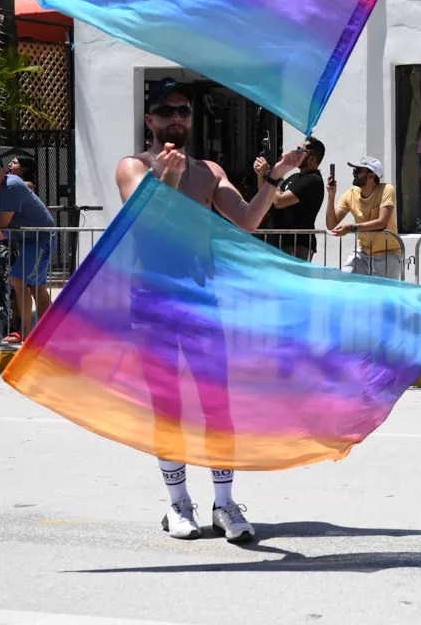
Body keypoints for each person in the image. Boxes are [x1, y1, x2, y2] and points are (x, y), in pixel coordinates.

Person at [115, 79, 303, 543]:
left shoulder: (209, 170)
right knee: (168, 405)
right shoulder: (134, 167)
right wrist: (167, 179)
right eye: (166, 110)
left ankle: (224, 503)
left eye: (183, 110)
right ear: (150, 120)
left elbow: (248, 220)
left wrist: (275, 177)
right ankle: (178, 504)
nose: (176, 117)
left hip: (201, 296)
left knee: (216, 401)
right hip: (154, 299)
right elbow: (145, 227)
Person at [0, 154, 57, 344]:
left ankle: (27, 336)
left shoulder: (12, 185)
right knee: (36, 287)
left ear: (3, 171)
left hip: (40, 237)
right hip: (23, 239)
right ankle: (50, 330)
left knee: (17, 279)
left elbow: (1, 222)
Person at [326, 157, 403, 279]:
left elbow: (382, 222)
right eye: (354, 170)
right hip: (363, 254)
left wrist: (351, 228)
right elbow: (331, 225)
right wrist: (331, 196)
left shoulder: (386, 189)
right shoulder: (350, 194)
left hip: (388, 254)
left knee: (382, 292)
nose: (354, 173)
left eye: (358, 171)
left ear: (371, 176)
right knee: (344, 282)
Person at [257, 137, 326, 261]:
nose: (296, 153)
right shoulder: (295, 177)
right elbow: (266, 196)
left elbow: (279, 201)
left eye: (301, 150)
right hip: (278, 241)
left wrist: (270, 176)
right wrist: (261, 174)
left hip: (295, 244)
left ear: (312, 159)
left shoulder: (312, 180)